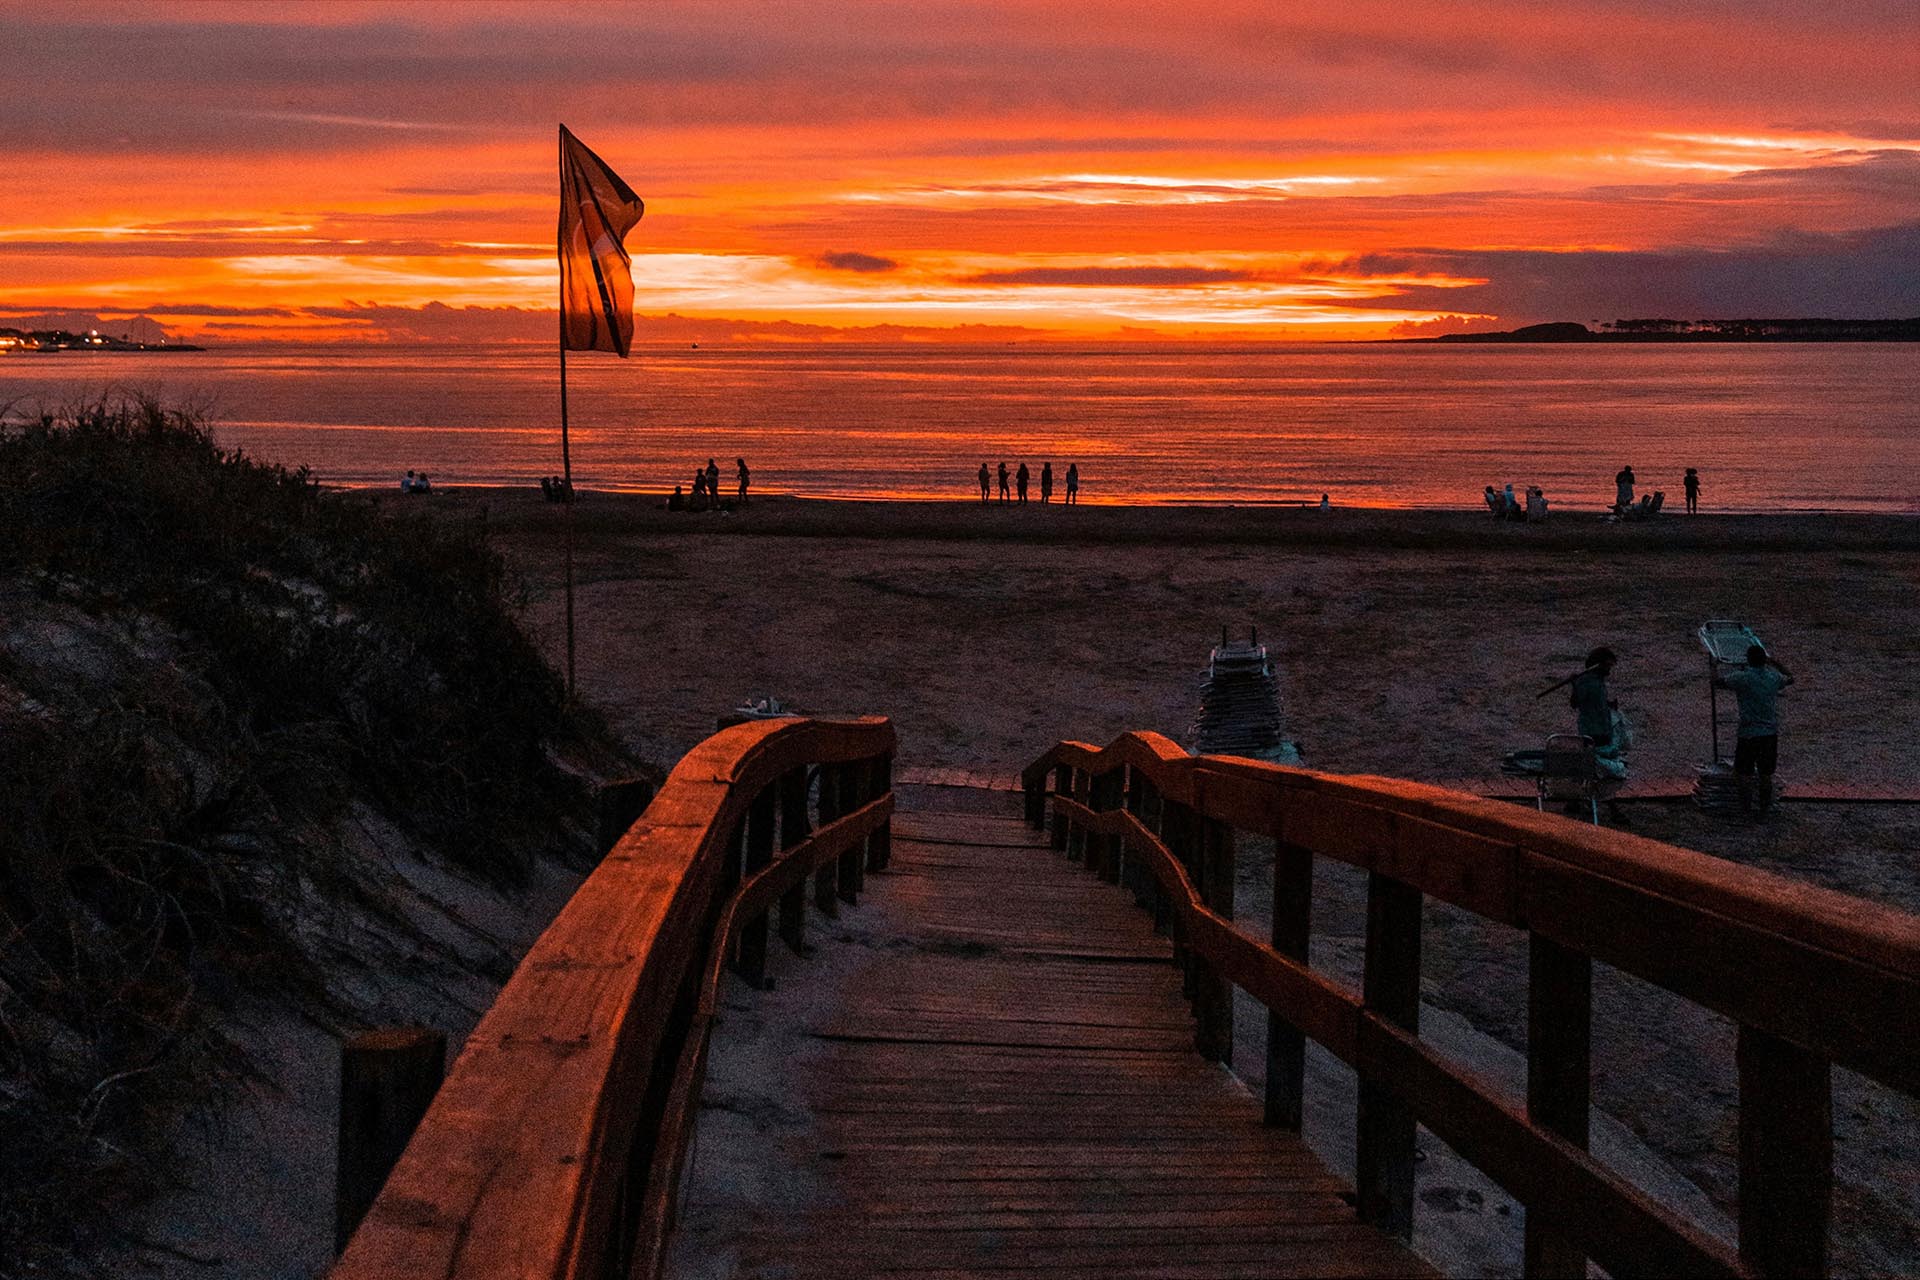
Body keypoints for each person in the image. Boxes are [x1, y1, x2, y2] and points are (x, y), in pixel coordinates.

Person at [1715, 645, 1794, 817]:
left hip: (1749, 732)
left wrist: (1714, 666)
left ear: (1748, 659)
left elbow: (1717, 682)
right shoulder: (1773, 677)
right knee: (1766, 774)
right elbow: (1790, 678)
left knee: (1743, 773)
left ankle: (1746, 809)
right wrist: (1775, 662)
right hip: (1769, 733)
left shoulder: (1742, 678)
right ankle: (1764, 810)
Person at [1569, 647, 1618, 749]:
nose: (1609, 669)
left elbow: (1596, 702)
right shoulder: (1586, 681)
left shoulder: (1599, 680)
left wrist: (1609, 704)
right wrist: (1575, 686)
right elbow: (1575, 703)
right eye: (1608, 666)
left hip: (1603, 730)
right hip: (1592, 732)